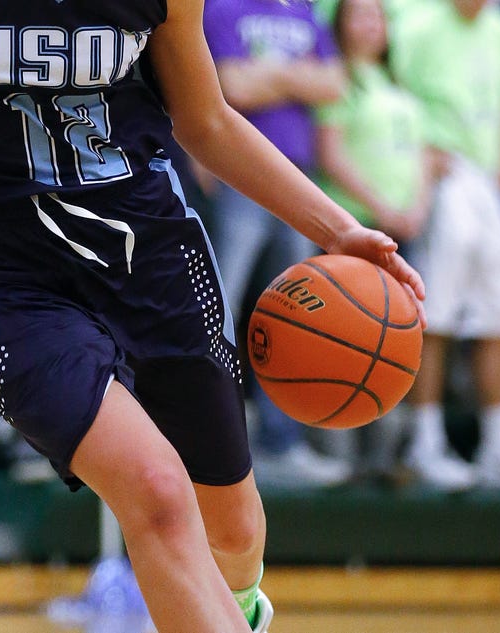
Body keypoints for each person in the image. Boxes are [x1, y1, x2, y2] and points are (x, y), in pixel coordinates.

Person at [0, 0, 426, 631]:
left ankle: (238, 611)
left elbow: (206, 121)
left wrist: (339, 229)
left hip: (146, 253)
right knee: (156, 491)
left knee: (233, 532)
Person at [391, 0, 500, 493]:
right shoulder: (416, 23)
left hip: (489, 183)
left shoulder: (497, 29)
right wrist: (421, 159)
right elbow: (393, 92)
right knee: (436, 316)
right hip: (443, 179)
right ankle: (424, 443)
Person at [201, 0, 355, 488]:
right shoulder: (220, 8)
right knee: (217, 310)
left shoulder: (305, 10)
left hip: (299, 181)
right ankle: (208, 440)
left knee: (296, 317)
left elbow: (334, 82)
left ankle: (281, 443)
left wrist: (268, 76)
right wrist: (296, 77)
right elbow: (231, 88)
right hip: (238, 179)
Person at [312, 0, 445, 486]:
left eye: (377, 16)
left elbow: (426, 156)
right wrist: (383, 212)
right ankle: (339, 458)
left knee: (399, 339)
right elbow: (332, 153)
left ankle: (385, 457)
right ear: (340, 25)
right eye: (358, 16)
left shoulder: (400, 85)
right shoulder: (335, 79)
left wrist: (417, 207)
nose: (369, 25)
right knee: (341, 341)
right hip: (354, 227)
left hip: (405, 228)